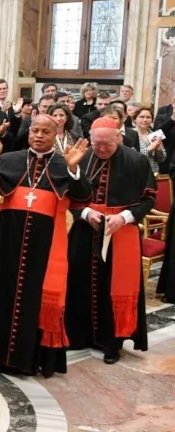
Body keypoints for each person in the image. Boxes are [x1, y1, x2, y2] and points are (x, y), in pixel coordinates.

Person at [0, 117, 91, 378]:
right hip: (7, 241)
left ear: (55, 134)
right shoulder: (11, 158)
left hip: (44, 244)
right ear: (29, 132)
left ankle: (28, 358)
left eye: (46, 131)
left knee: (33, 297)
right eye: (35, 130)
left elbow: (82, 196)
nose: (39, 135)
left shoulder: (63, 162)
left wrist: (73, 170)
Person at [66, 118, 155, 365]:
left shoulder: (136, 161)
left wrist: (125, 217)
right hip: (86, 231)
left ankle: (111, 343)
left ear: (118, 137)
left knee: (113, 286)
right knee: (79, 281)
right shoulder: (81, 157)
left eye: (107, 144)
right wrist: (85, 213)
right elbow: (67, 196)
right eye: (97, 144)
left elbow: (149, 199)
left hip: (121, 233)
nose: (102, 149)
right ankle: (78, 336)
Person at [134, 107, 166, 173]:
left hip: (152, 174)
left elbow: (162, 160)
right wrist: (149, 149)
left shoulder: (155, 135)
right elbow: (131, 158)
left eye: (148, 117)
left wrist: (158, 151)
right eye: (142, 117)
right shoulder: (129, 134)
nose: (145, 119)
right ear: (135, 119)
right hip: (135, 173)